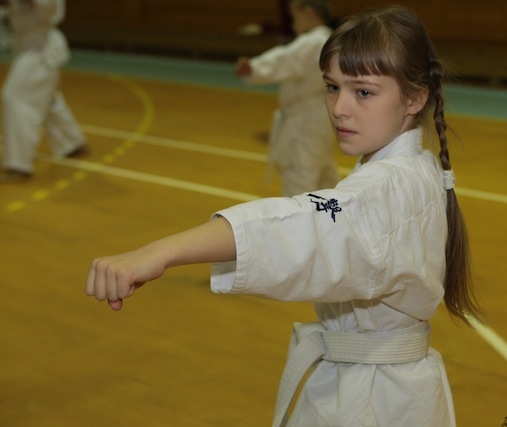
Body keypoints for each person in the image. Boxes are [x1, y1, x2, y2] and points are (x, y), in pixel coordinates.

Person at [86, 6, 481, 427]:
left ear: (415, 98)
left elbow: (303, 223)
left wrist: (161, 251)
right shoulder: (411, 169)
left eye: (363, 92)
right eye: (332, 87)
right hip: (381, 388)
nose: (340, 108)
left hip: (370, 403)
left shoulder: (388, 190)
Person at [235, 0, 338, 197]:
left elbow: (287, 58)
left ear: (309, 13)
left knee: (300, 176)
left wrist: (254, 68)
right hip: (320, 117)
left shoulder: (313, 41)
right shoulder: (331, 39)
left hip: (305, 121)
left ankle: (302, 217)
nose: (293, 24)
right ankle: (334, 213)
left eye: (295, 18)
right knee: (323, 173)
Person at [1, 0, 86, 183]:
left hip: (40, 48)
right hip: (26, 45)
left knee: (14, 97)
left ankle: (18, 164)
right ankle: (71, 142)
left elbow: (49, 7)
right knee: (44, 97)